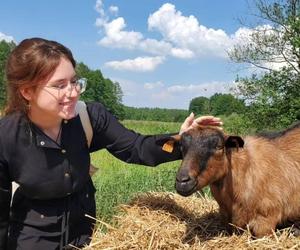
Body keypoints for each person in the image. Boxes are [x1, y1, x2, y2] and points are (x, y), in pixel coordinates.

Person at [0, 37, 222, 250]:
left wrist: (184, 138)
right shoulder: (6, 137)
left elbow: (136, 147)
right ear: (27, 91)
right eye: (60, 85)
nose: (73, 92)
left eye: (74, 82)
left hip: (86, 240)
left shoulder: (89, 117)